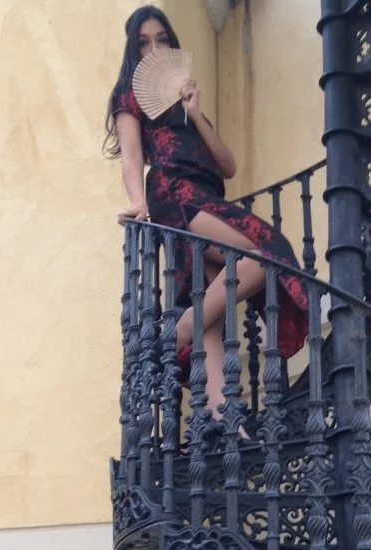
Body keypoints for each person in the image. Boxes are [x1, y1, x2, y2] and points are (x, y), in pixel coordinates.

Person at [105, 6, 308, 419]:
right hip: (174, 194)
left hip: (205, 193)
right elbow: (131, 155)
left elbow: (228, 166)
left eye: (162, 39)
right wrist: (137, 202)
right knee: (258, 257)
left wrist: (195, 111)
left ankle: (222, 417)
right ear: (132, 49)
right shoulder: (130, 92)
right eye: (143, 42)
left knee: (211, 305)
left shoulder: (184, 99)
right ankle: (175, 334)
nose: (154, 48)